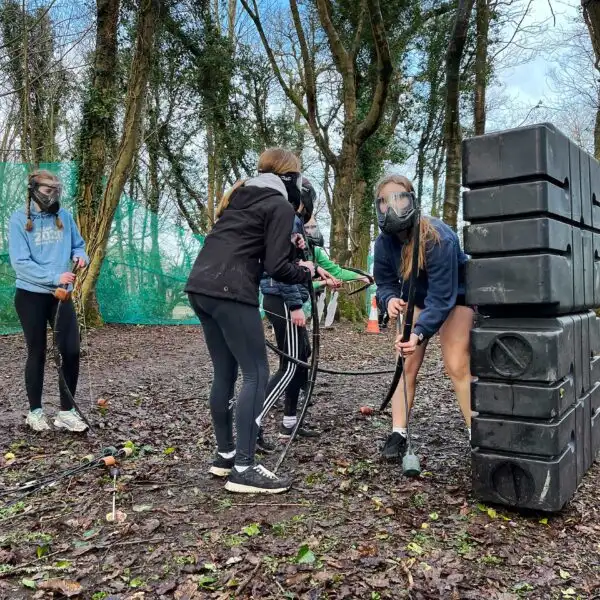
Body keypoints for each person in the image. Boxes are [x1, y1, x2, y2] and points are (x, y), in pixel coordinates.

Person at [185, 148, 315, 494]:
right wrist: (306, 271)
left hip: (201, 287)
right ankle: (244, 468)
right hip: (231, 289)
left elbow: (252, 244)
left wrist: (290, 244)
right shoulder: (280, 205)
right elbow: (277, 268)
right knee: (256, 372)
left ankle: (225, 455)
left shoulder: (240, 196)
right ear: (291, 178)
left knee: (224, 372)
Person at [257, 179, 371, 446]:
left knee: (299, 360)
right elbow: (283, 270)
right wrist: (296, 305)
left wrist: (354, 276)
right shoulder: (287, 220)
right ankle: (255, 423)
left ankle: (289, 423)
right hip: (282, 301)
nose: (310, 226)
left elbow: (300, 268)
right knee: (292, 364)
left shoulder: (294, 227)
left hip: (286, 300)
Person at [373, 174, 473, 461]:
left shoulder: (439, 237)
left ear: (412, 200)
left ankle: (475, 432)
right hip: (417, 299)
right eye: (383, 201)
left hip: (455, 299)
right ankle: (398, 433)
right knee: (406, 364)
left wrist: (418, 333)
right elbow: (385, 282)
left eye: (399, 198)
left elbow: (442, 298)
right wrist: (390, 300)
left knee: (456, 364)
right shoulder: (383, 243)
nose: (391, 206)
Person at [8, 169, 89, 433]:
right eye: (47, 191)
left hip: (61, 296)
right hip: (31, 295)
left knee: (71, 351)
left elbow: (79, 244)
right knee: (38, 352)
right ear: (33, 190)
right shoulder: (19, 220)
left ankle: (66, 412)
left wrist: (81, 257)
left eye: (57, 191)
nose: (53, 196)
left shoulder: (64, 217)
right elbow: (20, 264)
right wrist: (55, 276)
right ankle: (35, 412)